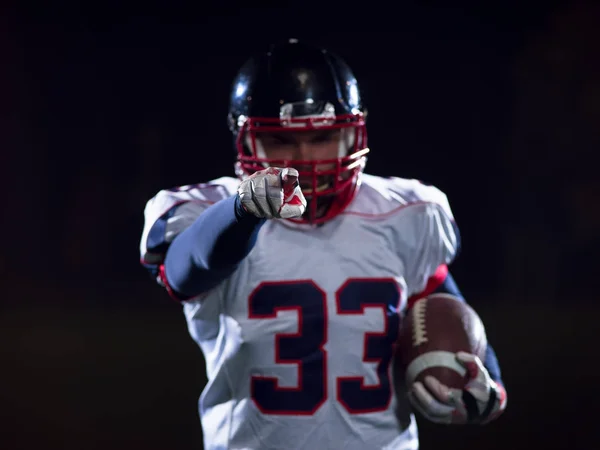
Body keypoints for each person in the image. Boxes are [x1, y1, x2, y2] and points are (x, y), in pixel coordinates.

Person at [139, 38, 507, 450]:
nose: (304, 157)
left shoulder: (405, 213)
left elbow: (438, 298)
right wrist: (243, 211)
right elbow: (183, 272)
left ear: (354, 135)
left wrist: (484, 376)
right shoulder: (211, 214)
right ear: (247, 142)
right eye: (281, 141)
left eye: (323, 137)